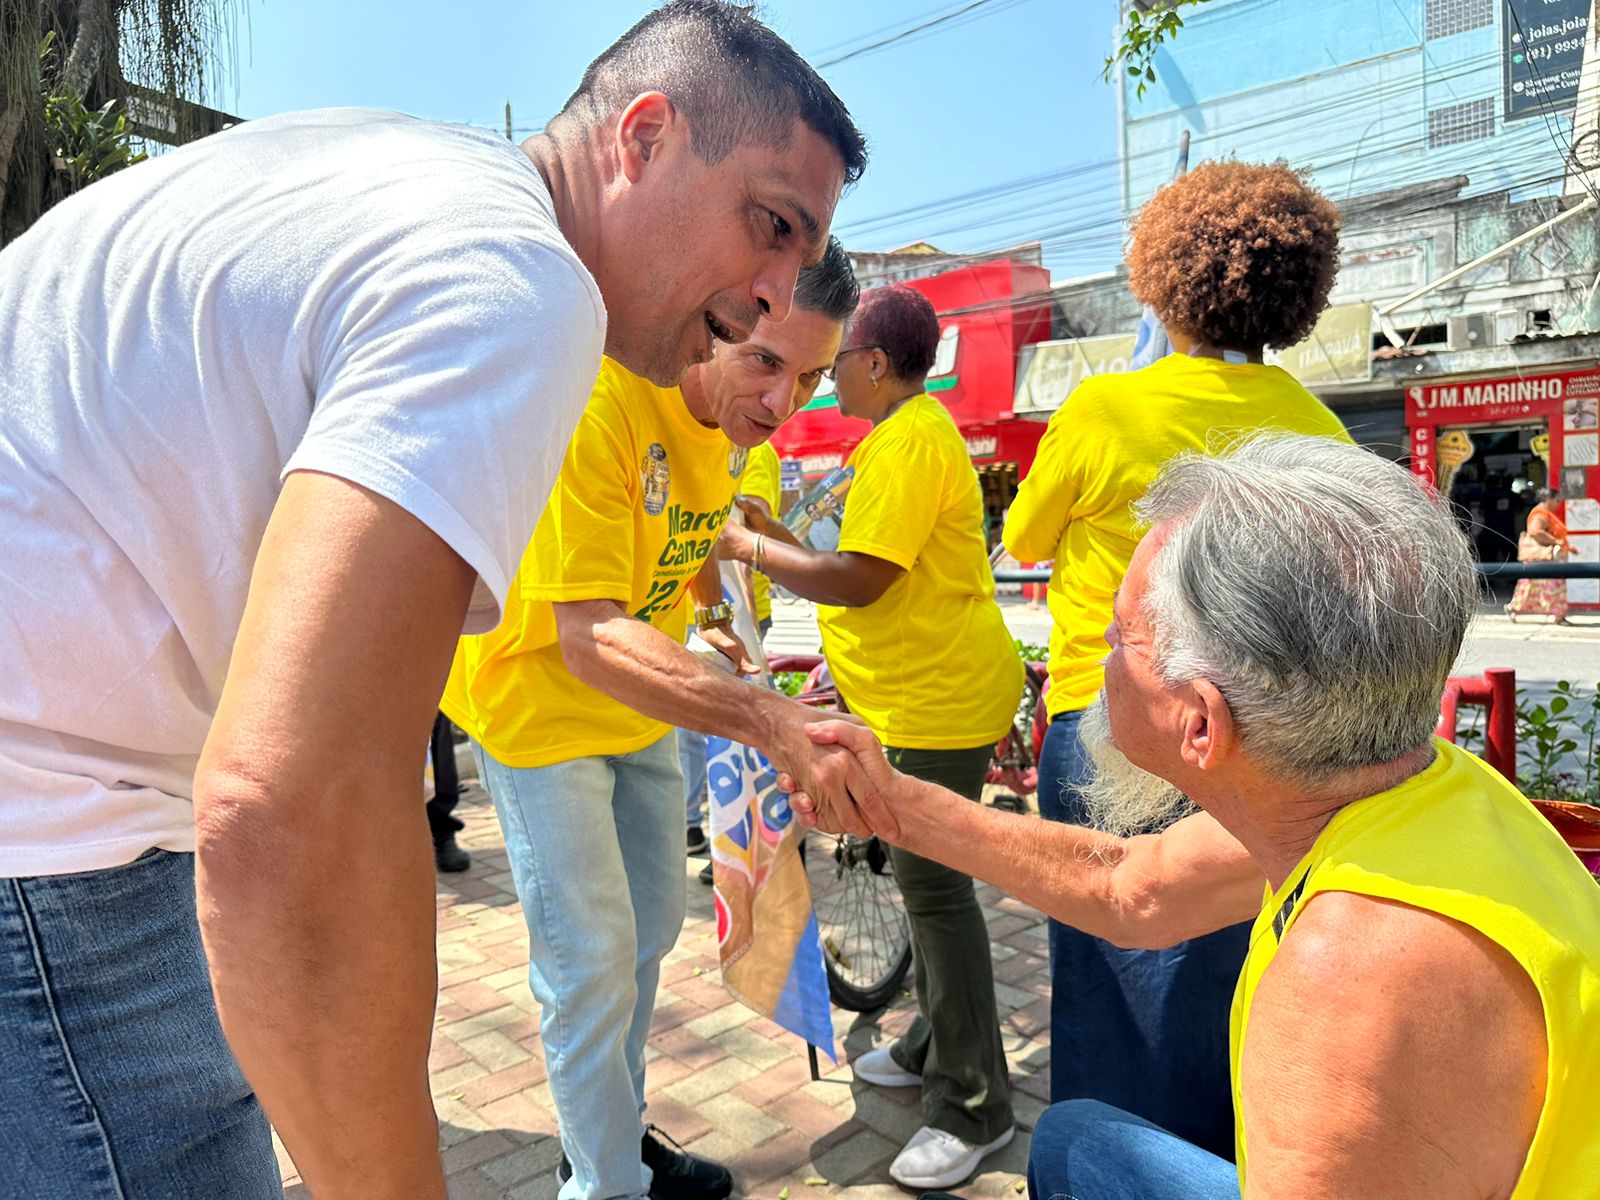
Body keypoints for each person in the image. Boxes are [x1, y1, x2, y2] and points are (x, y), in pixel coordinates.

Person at [0, 2, 868, 1196]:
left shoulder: (422, 183)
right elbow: (288, 816)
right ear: (645, 136)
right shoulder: (520, 284)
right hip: (51, 817)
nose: (775, 295)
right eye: (769, 226)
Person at [791, 434, 1600, 1200]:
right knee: (1074, 1136)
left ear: (1202, 723)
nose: (1100, 654)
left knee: (1076, 1145)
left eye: (1121, 635)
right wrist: (891, 803)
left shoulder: (1348, 982)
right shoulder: (1402, 783)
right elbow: (1131, 888)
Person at [441, 241, 858, 1200]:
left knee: (650, 930)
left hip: (638, 706)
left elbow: (694, 529)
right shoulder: (603, 403)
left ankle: (610, 1143)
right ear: (712, 324)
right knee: (588, 962)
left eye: (813, 375)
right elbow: (587, 637)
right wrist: (764, 716)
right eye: (765, 361)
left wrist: (716, 623)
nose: (786, 400)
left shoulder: (724, 427)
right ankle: (601, 1185)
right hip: (542, 708)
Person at [1001, 160, 1349, 1157]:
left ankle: (1112, 1166)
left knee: (1113, 962)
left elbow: (1023, 538)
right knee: (1238, 961)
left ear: (1159, 280)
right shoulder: (1320, 428)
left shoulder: (1104, 412)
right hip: (1266, 741)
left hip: (1113, 725)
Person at [718, 284, 1023, 1190]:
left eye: (831, 362)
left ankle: (974, 1104)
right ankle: (935, 1040)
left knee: (935, 898)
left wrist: (750, 553)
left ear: (877, 363)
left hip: (937, 703)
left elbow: (861, 580)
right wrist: (774, 534)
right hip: (910, 697)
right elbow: (838, 549)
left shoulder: (910, 444)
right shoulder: (894, 441)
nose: (818, 380)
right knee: (928, 893)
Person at [683, 438, 782, 858]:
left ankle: (751, 835)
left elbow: (737, 525)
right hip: (687, 610)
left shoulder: (753, 449)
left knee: (740, 722)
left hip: (739, 610)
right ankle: (693, 825)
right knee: (687, 724)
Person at [1506, 487, 1573, 623]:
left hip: (1543, 559)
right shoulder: (1541, 514)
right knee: (1552, 585)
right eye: (1557, 500)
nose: (1559, 503)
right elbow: (1535, 531)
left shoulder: (1545, 513)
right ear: (1548, 499)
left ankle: (1514, 608)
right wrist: (1556, 541)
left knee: (1533, 585)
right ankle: (1558, 615)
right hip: (1544, 558)